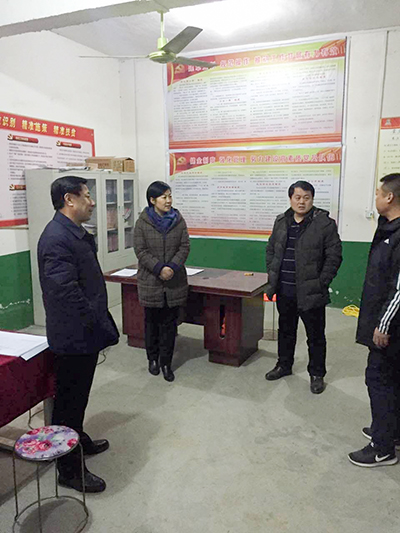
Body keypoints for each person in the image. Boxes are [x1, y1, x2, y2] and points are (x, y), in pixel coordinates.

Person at [38, 176, 119, 493]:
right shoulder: (56, 238)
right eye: (86, 195)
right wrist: (94, 320)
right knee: (68, 402)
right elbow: (66, 294)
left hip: (85, 331)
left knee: (79, 395)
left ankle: (77, 438)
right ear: (69, 200)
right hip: (73, 335)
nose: (92, 202)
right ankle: (69, 469)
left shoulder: (75, 233)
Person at [264, 180, 342, 393]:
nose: (301, 202)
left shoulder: (324, 224)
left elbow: (334, 257)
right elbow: (271, 249)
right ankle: (284, 365)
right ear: (290, 199)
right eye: (297, 197)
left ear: (312, 199)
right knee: (285, 331)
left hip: (311, 292)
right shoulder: (281, 221)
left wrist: (321, 282)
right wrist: (272, 272)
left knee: (315, 336)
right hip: (285, 290)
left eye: (306, 198)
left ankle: (317, 374)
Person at [349, 173, 400, 467]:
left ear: (390, 197)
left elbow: (399, 288)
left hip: (390, 325)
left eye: (379, 193)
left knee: (378, 378)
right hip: (385, 318)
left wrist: (383, 324)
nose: (376, 197)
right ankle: (390, 431)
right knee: (391, 378)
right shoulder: (388, 227)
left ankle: (382, 448)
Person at [133, 181, 190, 382]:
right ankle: (153, 359)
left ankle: (166, 362)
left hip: (174, 281)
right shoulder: (142, 222)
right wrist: (159, 268)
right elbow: (140, 250)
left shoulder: (178, 220)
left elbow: (184, 247)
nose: (168, 200)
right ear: (152, 200)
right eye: (164, 197)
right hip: (151, 280)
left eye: (170, 196)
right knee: (151, 323)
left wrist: (172, 267)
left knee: (169, 325)